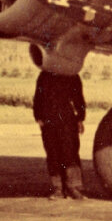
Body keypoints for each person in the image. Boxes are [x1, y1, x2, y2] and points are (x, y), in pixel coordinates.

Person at [32, 69, 86, 199]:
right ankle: (58, 189)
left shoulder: (72, 75)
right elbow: (38, 97)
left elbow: (78, 98)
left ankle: (73, 188)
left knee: (70, 153)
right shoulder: (44, 76)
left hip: (67, 120)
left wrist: (80, 118)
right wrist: (38, 116)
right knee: (53, 154)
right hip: (49, 120)